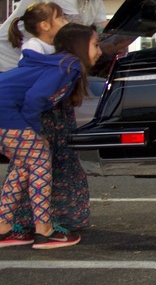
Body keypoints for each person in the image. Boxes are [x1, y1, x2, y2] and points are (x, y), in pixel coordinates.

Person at [0, 23, 100, 249]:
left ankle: (4, 227)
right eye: (95, 45)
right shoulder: (71, 65)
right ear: (80, 46)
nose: (99, 51)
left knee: (22, 166)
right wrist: (34, 131)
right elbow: (35, 98)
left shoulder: (59, 64)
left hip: (4, 113)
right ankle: (44, 230)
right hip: (6, 113)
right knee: (40, 161)